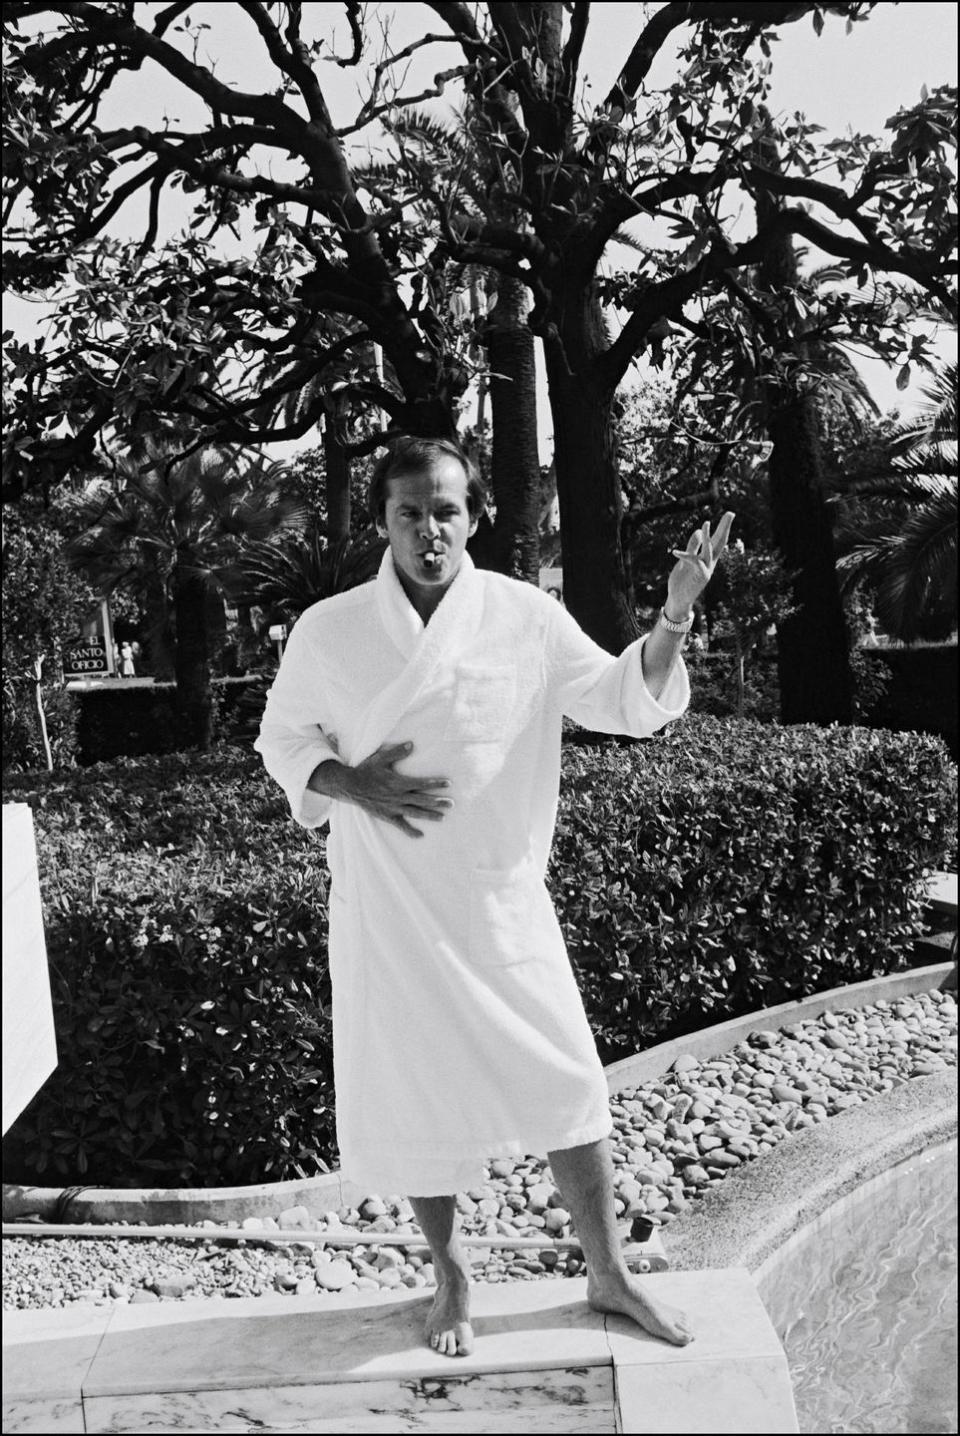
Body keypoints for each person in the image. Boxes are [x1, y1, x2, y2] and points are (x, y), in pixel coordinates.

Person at [256, 436, 733, 1358]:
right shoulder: (330, 630)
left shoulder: (525, 615)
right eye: (409, 513)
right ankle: (451, 1274)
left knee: (569, 1082)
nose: (429, 531)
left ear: (474, 517)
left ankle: (608, 1271)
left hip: (500, 898)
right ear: (384, 522)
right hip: (391, 905)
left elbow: (619, 698)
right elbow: (283, 741)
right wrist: (355, 787)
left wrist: (671, 619)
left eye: (445, 511)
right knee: (414, 1092)